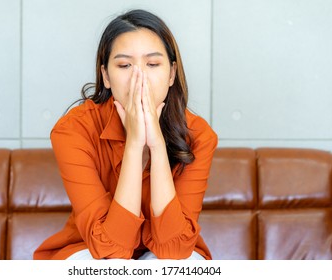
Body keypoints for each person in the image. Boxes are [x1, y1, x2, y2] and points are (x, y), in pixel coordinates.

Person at [33, 9, 217, 260]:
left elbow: (174, 249)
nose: (138, 78)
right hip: (90, 252)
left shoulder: (199, 135)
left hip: (163, 254)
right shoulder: (73, 130)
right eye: (124, 65)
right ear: (106, 76)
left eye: (152, 64)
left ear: (172, 74)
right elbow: (110, 250)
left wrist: (157, 146)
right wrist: (134, 144)